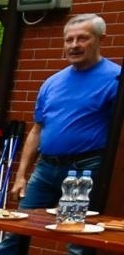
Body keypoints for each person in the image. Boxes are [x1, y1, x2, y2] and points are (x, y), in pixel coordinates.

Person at [11, 14, 118, 213]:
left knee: (73, 229)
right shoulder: (52, 82)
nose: (74, 45)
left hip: (83, 170)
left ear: (101, 39)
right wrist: (21, 175)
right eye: (69, 39)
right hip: (45, 167)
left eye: (82, 38)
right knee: (19, 224)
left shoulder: (115, 80)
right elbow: (36, 130)